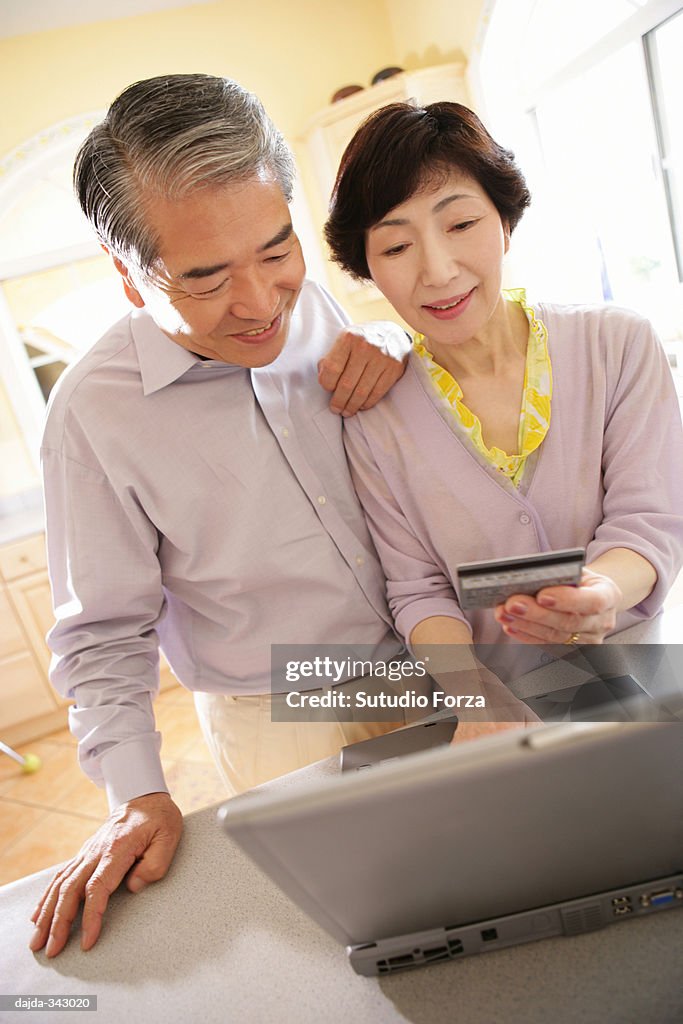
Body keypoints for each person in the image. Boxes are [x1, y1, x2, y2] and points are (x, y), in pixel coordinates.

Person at [29, 73, 414, 959]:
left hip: (419, 659)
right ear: (128, 278)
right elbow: (102, 635)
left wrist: (396, 346)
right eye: (204, 279)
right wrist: (136, 791)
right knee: (346, 939)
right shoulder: (93, 414)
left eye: (275, 250)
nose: (257, 302)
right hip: (282, 706)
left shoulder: (306, 306)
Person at [324, 101, 683, 682]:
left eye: (461, 224)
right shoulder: (372, 413)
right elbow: (420, 590)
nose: (438, 271)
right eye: (395, 247)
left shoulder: (616, 344)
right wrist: (474, 695)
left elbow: (649, 522)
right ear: (367, 268)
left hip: (644, 677)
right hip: (503, 711)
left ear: (506, 223)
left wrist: (602, 591)